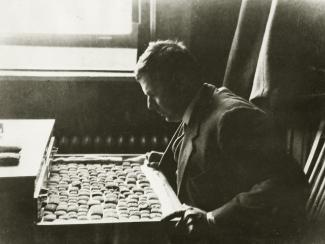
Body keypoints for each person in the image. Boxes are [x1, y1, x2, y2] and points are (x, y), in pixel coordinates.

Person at [134, 40, 309, 243]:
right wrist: (167, 161)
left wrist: (210, 220)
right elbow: (203, 153)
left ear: (179, 83)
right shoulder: (200, 103)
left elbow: (288, 182)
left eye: (152, 95)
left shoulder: (231, 118)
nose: (149, 105)